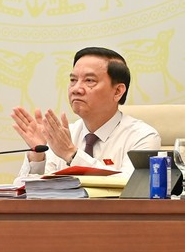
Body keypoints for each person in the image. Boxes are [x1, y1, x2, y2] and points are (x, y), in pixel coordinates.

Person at [11, 47, 160, 183]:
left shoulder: (143, 136)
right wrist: (38, 155)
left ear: (117, 91)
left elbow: (132, 185)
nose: (76, 89)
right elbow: (28, 192)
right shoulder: (62, 136)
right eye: (73, 80)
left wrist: (71, 154)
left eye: (89, 80)